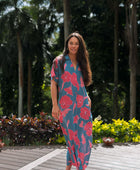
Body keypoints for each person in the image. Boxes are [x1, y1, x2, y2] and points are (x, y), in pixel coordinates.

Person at [51, 32, 93, 170]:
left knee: (84, 138)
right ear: (67, 45)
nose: (74, 46)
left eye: (76, 43)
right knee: (72, 139)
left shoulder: (82, 61)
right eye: (71, 43)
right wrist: (55, 106)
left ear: (80, 46)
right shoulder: (59, 61)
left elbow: (82, 84)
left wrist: (87, 97)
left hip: (83, 106)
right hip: (66, 107)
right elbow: (53, 84)